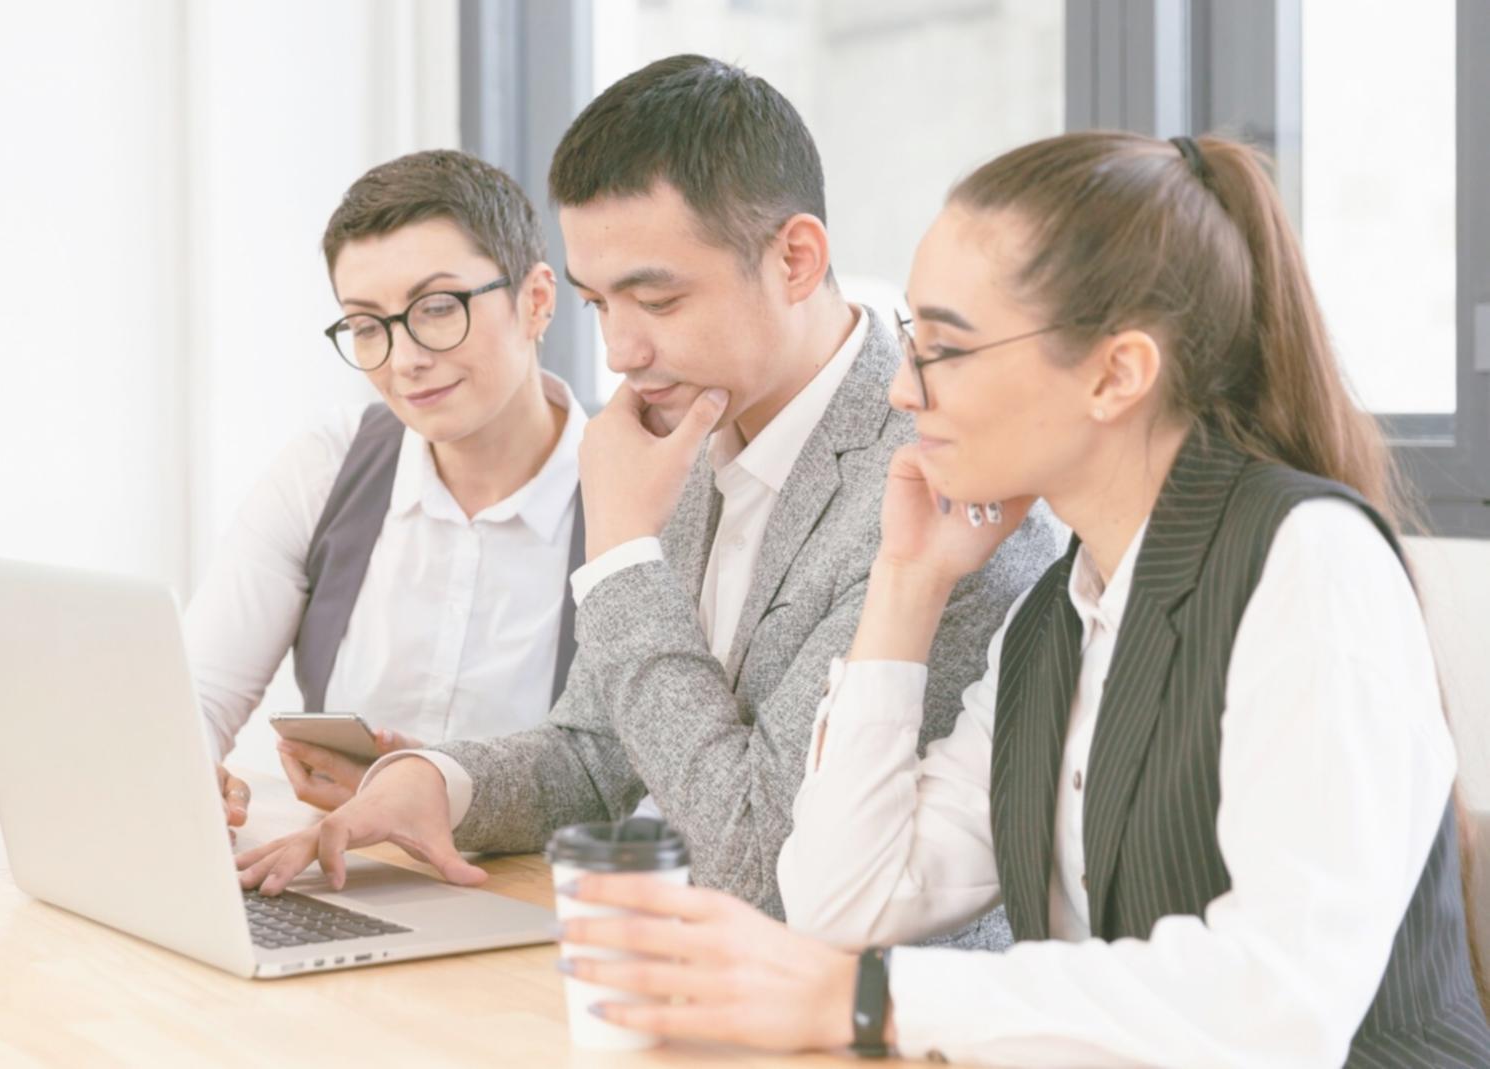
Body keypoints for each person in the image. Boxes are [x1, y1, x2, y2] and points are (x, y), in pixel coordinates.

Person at [547, 131, 1490, 1066]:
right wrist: (907, 584)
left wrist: (868, 999)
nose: (903, 389)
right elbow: (841, 903)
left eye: (946, 348)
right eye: (910, 339)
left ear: (1116, 374)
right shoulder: (1055, 617)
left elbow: (1279, 1004)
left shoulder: (1308, 563)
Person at [235, 55, 1057, 945]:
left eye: (656, 299)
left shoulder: (937, 491)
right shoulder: (692, 421)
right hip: (689, 971)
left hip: (862, 1002)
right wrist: (437, 785)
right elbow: (597, 749)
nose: (620, 351)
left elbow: (764, 863)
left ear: (795, 259)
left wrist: (623, 556)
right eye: (597, 304)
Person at [188, 149, 587, 825]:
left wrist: (439, 799)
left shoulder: (638, 496)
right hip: (348, 868)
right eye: (368, 326)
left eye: (438, 308)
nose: (405, 360)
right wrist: (187, 771)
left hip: (547, 885)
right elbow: (196, 692)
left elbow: (637, 782)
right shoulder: (328, 469)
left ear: (536, 301)